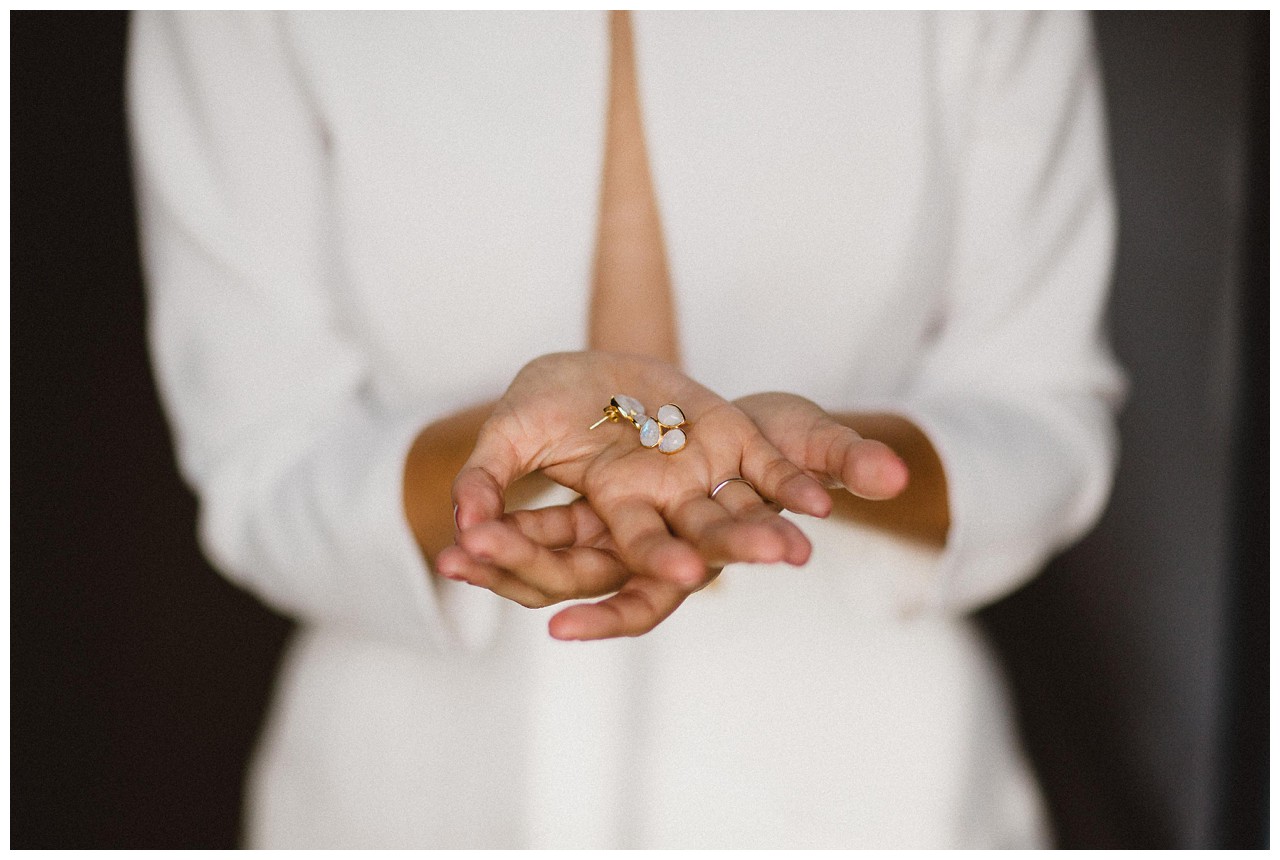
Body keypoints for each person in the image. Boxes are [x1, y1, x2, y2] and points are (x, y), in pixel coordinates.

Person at [129, 10, 1124, 848]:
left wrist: (805, 456)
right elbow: (265, 460)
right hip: (409, 791)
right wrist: (513, 455)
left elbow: (1039, 410)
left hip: (878, 787)